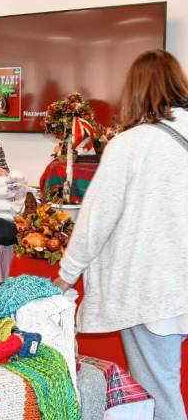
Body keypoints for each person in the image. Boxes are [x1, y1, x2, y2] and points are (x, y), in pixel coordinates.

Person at [53, 50, 188, 420]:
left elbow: (96, 219)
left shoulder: (131, 144)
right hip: (179, 285)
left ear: (137, 90)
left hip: (152, 289)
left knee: (160, 395)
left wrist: (66, 276)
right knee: (166, 385)